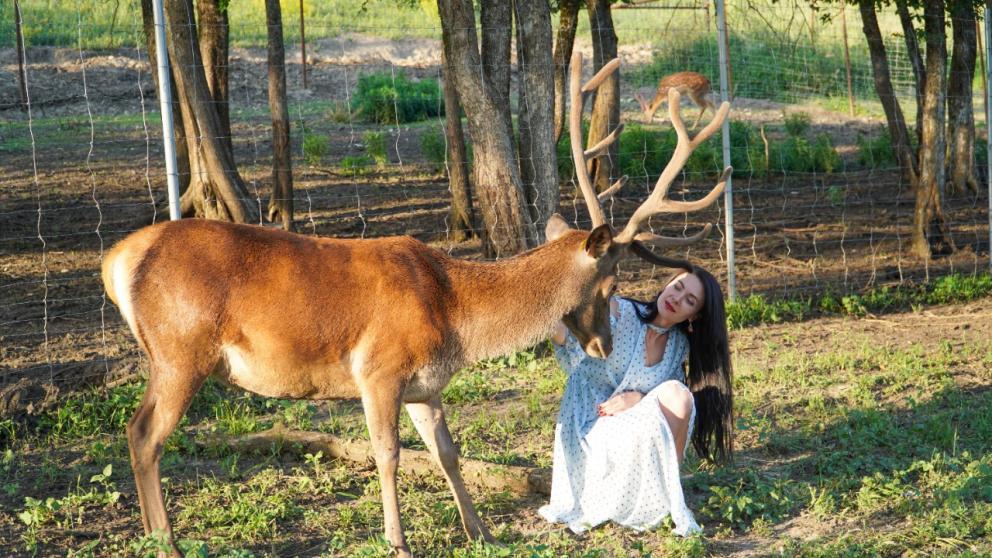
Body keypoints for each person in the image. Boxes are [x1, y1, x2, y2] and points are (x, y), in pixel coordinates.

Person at [539, 265, 733, 536]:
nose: (677, 299)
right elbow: (570, 341)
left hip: (631, 429)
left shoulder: (679, 346)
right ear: (668, 283)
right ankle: (620, 499)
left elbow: (669, 406)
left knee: (680, 397)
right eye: (677, 287)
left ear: (695, 315)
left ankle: (670, 499)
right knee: (671, 398)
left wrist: (639, 398)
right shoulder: (621, 311)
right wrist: (542, 308)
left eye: (689, 300)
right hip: (591, 422)